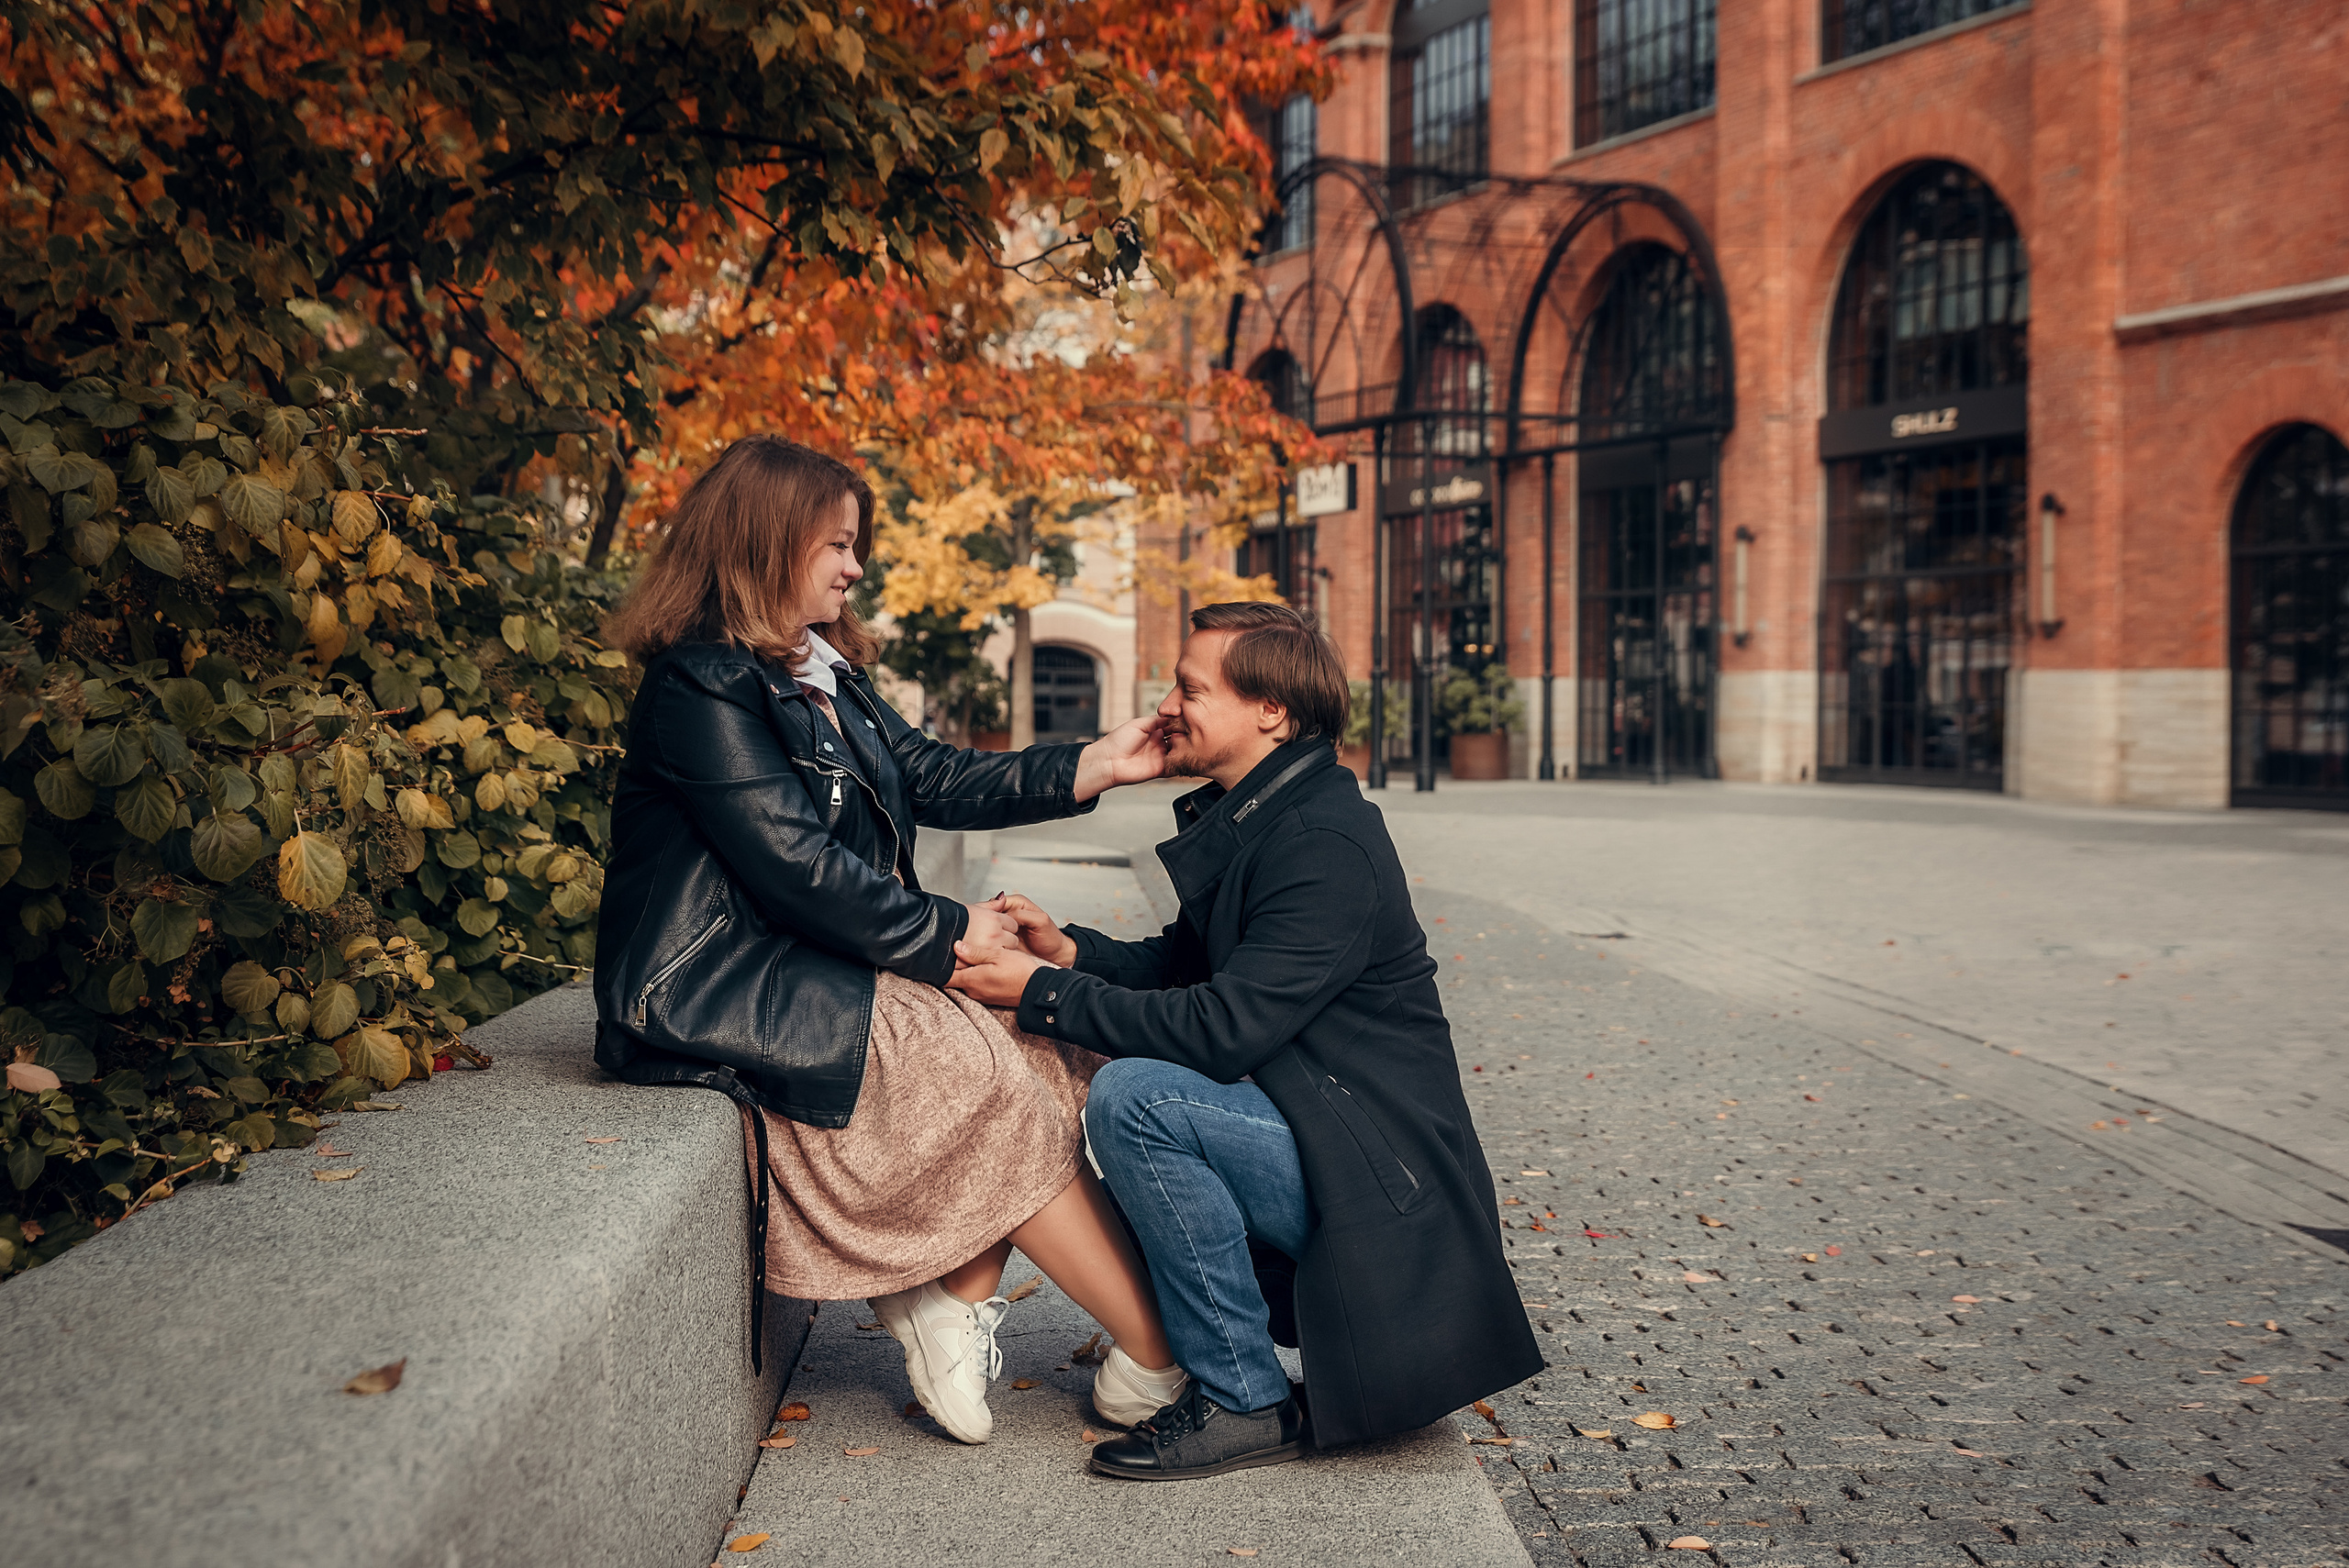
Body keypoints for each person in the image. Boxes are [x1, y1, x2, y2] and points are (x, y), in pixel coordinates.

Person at [593, 435, 1189, 1445]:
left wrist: (1098, 762)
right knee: (979, 1055)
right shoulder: (701, 685)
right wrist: (956, 935)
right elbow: (796, 866)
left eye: (853, 544)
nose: (855, 567)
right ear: (767, 541)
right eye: (837, 544)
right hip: (715, 979)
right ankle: (1156, 1354)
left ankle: (955, 1299)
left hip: (814, 953)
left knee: (1039, 1034)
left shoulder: (821, 670)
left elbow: (934, 774)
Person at [949, 601, 1543, 1480]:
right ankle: (1192, 1358)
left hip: (1383, 1188)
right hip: (1321, 1136)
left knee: (1139, 1099)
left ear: (1271, 710)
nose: (1168, 705)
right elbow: (1187, 969)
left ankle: (1241, 1395)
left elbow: (1222, 1029)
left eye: (1191, 688)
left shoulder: (1324, 840)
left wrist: (1039, 992)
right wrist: (1069, 953)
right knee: (1124, 1094)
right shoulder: (1268, 813)